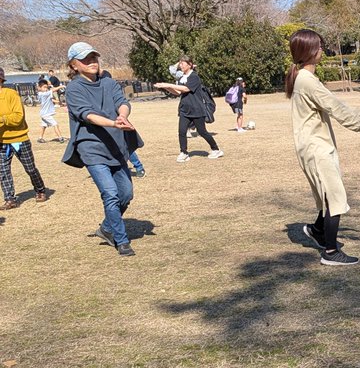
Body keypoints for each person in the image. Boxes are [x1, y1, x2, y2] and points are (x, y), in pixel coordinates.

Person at [286, 28, 360, 267]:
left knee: (329, 193)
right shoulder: (307, 81)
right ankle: (330, 252)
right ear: (308, 51)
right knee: (334, 196)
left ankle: (317, 231)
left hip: (315, 147)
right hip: (315, 148)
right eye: (319, 46)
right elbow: (335, 107)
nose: (322, 50)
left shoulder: (305, 78)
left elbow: (334, 104)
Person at [61, 42, 140, 256]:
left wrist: (122, 116)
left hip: (116, 145)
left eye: (94, 57)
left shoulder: (108, 82)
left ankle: (106, 228)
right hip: (91, 148)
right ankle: (121, 241)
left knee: (126, 194)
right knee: (110, 193)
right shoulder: (74, 88)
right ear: (74, 65)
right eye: (85, 59)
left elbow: (122, 102)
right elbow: (87, 114)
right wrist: (113, 123)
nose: (92, 62)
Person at [154, 58, 222, 161]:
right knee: (181, 131)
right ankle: (183, 152)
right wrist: (165, 87)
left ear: (189, 65)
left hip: (196, 109)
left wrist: (168, 84)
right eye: (180, 64)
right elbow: (178, 92)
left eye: (182, 64)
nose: (180, 66)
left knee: (202, 131)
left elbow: (186, 89)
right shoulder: (182, 77)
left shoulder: (194, 77)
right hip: (184, 109)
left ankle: (216, 149)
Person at [0, 68, 49, 210]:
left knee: (30, 168)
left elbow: (18, 117)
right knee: (3, 171)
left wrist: (2, 120)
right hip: (1, 141)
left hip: (18, 139)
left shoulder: (11, 94)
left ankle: (40, 190)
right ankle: (10, 199)